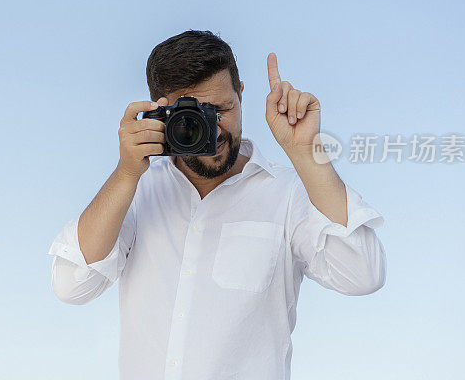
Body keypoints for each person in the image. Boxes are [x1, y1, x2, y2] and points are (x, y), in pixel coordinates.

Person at [47, 30, 386, 380]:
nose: (213, 130)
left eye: (221, 109)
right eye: (192, 117)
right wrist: (125, 173)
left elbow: (362, 276)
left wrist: (306, 153)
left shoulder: (288, 193)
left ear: (241, 94)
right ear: (160, 112)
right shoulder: (136, 191)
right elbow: (72, 285)